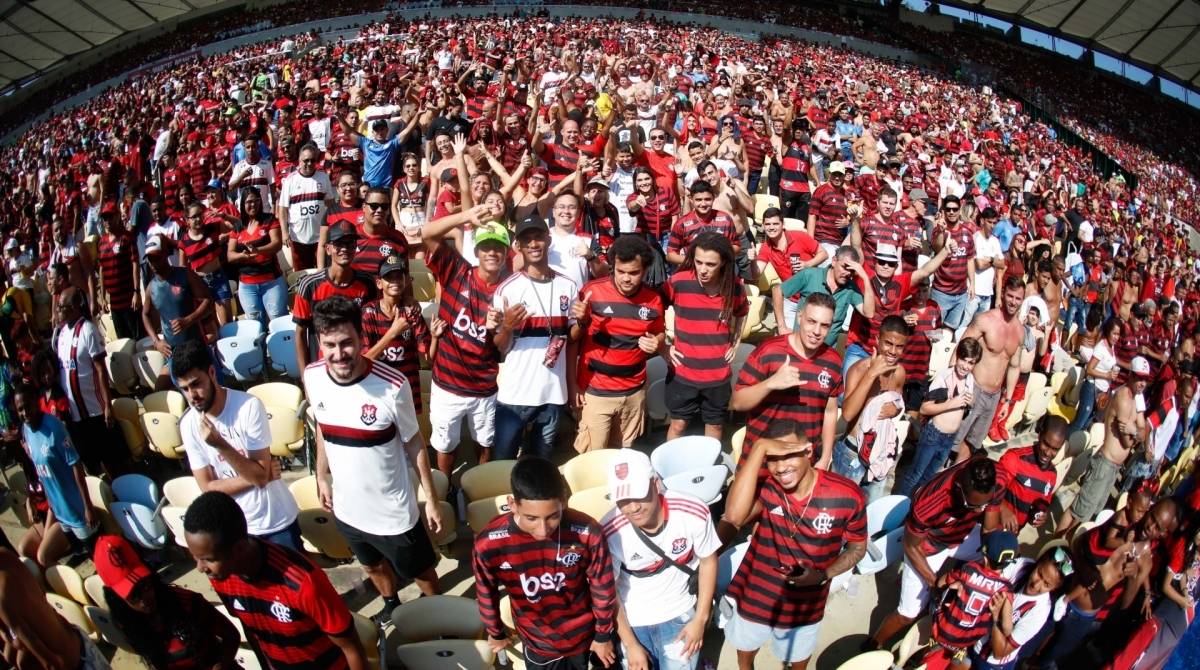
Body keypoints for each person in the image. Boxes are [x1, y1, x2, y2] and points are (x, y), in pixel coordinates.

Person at [304, 296, 442, 613]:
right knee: (372, 567)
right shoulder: (313, 376)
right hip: (348, 509)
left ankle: (436, 615)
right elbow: (322, 427)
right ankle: (391, 605)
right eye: (329, 345)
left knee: (420, 572)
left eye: (346, 343)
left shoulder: (393, 386)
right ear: (320, 344)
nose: (339, 355)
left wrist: (431, 499)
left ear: (362, 339)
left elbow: (415, 443)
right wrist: (321, 475)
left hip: (394, 515)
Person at [720, 420, 867, 670]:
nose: (780, 468)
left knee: (798, 659)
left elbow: (857, 548)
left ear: (809, 452)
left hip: (807, 604)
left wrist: (824, 575)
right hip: (757, 595)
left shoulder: (846, 495)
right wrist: (758, 450)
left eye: (788, 455)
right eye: (772, 458)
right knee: (745, 649)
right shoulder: (767, 487)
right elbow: (734, 517)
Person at [182, 491, 368, 670]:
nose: (200, 568)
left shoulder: (303, 582)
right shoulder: (221, 577)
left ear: (238, 548)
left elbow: (352, 649)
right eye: (196, 557)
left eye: (208, 559)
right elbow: (253, 631)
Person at [472, 457, 617, 670]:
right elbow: (485, 591)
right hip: (539, 645)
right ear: (513, 504)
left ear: (564, 500)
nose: (543, 529)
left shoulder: (587, 532)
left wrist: (603, 635)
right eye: (531, 518)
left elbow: (602, 588)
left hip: (585, 639)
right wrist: (495, 632)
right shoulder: (489, 543)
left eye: (553, 516)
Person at [174, 340, 301, 551]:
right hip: (234, 528)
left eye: (196, 384)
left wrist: (221, 445)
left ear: (212, 372)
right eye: (185, 389)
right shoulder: (188, 424)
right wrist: (261, 474)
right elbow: (207, 487)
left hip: (275, 522)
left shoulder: (248, 406)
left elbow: (258, 477)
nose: (192, 395)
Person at [601, 449, 720, 670]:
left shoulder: (692, 512)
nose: (633, 507)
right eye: (623, 500)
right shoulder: (610, 532)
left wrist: (700, 620)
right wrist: (630, 644)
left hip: (680, 611)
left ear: (655, 484)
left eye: (639, 495)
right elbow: (610, 591)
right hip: (634, 621)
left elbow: (708, 561)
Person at [868, 457, 1000, 651]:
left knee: (993, 559)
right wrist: (936, 582)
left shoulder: (992, 475)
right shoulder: (930, 502)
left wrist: (995, 517)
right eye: (974, 506)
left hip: (960, 534)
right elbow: (911, 546)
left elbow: (989, 525)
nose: (980, 510)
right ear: (959, 487)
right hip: (927, 548)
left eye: (985, 504)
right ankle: (872, 645)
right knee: (908, 613)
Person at [419, 205, 509, 477]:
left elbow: (503, 349)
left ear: (506, 254)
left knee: (485, 442)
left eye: (498, 247)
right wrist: (463, 217)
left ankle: (480, 485)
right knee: (445, 445)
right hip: (448, 384)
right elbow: (426, 233)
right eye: (486, 247)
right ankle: (445, 488)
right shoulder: (457, 269)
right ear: (477, 251)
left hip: (484, 386)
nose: (492, 252)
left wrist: (500, 329)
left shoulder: (510, 290)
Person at [492, 213, 580, 460]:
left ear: (548, 240)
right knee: (504, 461)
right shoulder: (507, 289)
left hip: (552, 392)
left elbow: (572, 336)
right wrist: (507, 326)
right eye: (526, 240)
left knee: (541, 462)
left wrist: (583, 321)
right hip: (515, 393)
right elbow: (500, 348)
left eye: (538, 237)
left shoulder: (568, 285)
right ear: (517, 246)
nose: (533, 244)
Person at [572, 235, 665, 452]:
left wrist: (656, 341)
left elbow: (659, 333)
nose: (626, 278)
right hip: (596, 392)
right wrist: (582, 321)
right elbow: (573, 341)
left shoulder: (654, 299)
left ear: (646, 270)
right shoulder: (591, 292)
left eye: (634, 273)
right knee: (593, 457)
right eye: (620, 271)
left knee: (623, 457)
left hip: (634, 392)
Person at [94, 534, 240, 670]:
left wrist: (220, 666)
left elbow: (231, 635)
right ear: (117, 598)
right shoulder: (126, 623)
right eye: (133, 596)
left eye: (145, 586)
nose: (144, 599)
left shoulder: (188, 603)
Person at [732, 293, 843, 470]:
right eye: (811, 321)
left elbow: (830, 412)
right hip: (761, 463)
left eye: (824, 326)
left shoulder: (833, 361)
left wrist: (825, 457)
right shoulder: (769, 351)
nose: (816, 331)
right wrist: (770, 383)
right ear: (799, 317)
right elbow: (738, 402)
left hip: (803, 464)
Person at [664, 232, 748, 441]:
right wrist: (662, 347)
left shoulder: (734, 286)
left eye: (710, 264)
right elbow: (653, 309)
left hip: (717, 376)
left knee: (716, 426)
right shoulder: (678, 282)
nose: (702, 269)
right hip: (683, 373)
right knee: (678, 425)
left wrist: (736, 343)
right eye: (698, 262)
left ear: (723, 263)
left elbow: (742, 312)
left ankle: (710, 472)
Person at [1056, 356, 1153, 538]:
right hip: (1104, 464)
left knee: (1089, 513)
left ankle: (1064, 544)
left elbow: (1144, 430)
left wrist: (1136, 431)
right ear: (1130, 375)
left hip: (1112, 467)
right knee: (1078, 510)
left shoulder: (1137, 398)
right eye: (1139, 378)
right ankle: (1053, 545)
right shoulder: (1124, 399)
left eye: (1145, 379)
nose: (1142, 383)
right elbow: (1127, 442)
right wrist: (1137, 433)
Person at [13, 382, 96, 568]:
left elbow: (75, 465)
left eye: (27, 406)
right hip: (61, 514)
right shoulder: (26, 430)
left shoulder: (54, 427)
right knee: (80, 554)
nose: (24, 413)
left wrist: (87, 506)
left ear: (36, 402)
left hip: (77, 510)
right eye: (20, 409)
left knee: (96, 556)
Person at [916, 531, 1019, 670]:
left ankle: (934, 642)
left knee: (941, 597)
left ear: (985, 557)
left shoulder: (969, 569)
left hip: (943, 632)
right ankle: (959, 652)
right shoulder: (1006, 589)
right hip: (967, 640)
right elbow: (1007, 628)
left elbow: (940, 583)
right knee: (978, 624)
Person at [54, 285, 128, 477]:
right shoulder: (62, 334)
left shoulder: (88, 329)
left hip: (95, 410)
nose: (58, 310)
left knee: (112, 460)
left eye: (62, 306)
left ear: (75, 306)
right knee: (90, 462)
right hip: (75, 415)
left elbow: (100, 370)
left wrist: (107, 406)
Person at [834, 315, 910, 502]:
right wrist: (871, 374)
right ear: (877, 340)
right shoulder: (859, 370)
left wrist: (895, 410)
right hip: (851, 454)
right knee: (840, 510)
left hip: (880, 455)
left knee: (868, 516)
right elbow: (848, 413)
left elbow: (898, 403)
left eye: (899, 346)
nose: (893, 351)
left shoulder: (899, 372)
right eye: (888, 343)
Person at [952, 275, 1026, 462]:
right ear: (1003, 294)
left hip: (993, 397)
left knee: (972, 443)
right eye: (1010, 296)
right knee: (953, 439)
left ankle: (953, 478)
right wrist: (952, 385)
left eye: (1018, 298)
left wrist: (1007, 400)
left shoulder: (1020, 331)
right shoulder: (985, 319)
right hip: (973, 388)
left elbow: (1014, 366)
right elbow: (960, 348)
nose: (1013, 302)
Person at [896, 337, 980, 497]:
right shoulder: (944, 377)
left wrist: (971, 402)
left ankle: (914, 506)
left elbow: (966, 406)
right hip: (933, 435)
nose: (965, 366)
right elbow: (924, 408)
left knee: (928, 478)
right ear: (958, 357)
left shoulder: (970, 379)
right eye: (964, 359)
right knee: (914, 475)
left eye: (971, 363)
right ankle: (899, 505)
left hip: (949, 438)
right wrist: (952, 403)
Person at [0, 547, 111, 669]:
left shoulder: (2, 596)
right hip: (79, 642)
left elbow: (50, 662)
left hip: (73, 663)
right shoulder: (6, 556)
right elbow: (42, 594)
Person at [292, 220, 376, 369]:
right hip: (321, 366)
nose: (345, 249)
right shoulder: (310, 285)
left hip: (358, 363)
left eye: (350, 244)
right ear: (328, 249)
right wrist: (305, 374)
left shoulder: (368, 282)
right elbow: (299, 333)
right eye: (339, 244)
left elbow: (375, 323)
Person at [971, 550, 1067, 670]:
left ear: (1054, 588)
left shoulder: (1040, 612)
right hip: (972, 637)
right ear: (1038, 563)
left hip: (990, 663)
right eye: (1039, 573)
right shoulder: (1023, 565)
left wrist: (996, 617)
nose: (1036, 585)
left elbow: (1000, 652)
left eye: (1046, 585)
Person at [361, 256, 432, 415]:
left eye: (398, 276)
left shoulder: (411, 311)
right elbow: (364, 361)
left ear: (405, 281)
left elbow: (427, 355)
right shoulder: (368, 314)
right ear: (379, 283)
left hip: (407, 388)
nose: (395, 281)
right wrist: (392, 332)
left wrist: (436, 337)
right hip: (379, 390)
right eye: (389, 277)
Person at [141, 234, 212, 388]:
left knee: (209, 390)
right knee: (160, 388)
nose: (153, 263)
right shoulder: (151, 288)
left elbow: (209, 301)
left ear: (166, 254)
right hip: (174, 353)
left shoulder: (185, 274)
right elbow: (145, 314)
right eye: (150, 259)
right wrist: (156, 341)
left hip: (195, 347)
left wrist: (189, 320)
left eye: (156, 257)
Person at [779, 246, 874, 347]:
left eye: (851, 271)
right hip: (800, 347)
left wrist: (865, 278)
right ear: (834, 261)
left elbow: (869, 313)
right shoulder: (810, 275)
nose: (847, 273)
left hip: (826, 352)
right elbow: (778, 290)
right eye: (844, 267)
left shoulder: (850, 288)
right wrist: (782, 326)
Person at [987, 415, 1066, 534]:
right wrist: (1003, 509)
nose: (1048, 453)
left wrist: (1042, 515)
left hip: (1013, 535)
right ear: (1039, 435)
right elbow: (989, 490)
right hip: (991, 529)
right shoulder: (1014, 459)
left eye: (1055, 449)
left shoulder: (1052, 475)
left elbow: (1043, 503)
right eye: (1046, 444)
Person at [755, 207, 826, 333]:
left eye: (775, 223)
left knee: (809, 336)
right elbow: (756, 273)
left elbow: (823, 254)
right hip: (790, 299)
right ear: (763, 226)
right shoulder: (766, 248)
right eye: (768, 224)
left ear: (783, 224)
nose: (771, 227)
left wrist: (807, 264)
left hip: (812, 297)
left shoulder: (799, 236)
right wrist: (750, 260)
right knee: (784, 337)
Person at [226, 187, 287, 328]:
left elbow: (277, 244)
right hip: (247, 286)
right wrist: (241, 255)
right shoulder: (238, 226)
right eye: (249, 202)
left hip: (272, 282)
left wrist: (257, 250)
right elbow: (230, 255)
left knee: (278, 323)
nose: (253, 205)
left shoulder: (269, 219)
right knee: (256, 326)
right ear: (243, 204)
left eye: (256, 201)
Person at [277, 143, 334, 271]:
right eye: (305, 160)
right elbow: (283, 209)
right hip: (298, 238)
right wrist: (285, 232)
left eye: (312, 160)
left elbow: (331, 206)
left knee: (321, 273)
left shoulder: (323, 178)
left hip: (320, 238)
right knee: (301, 275)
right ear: (299, 161)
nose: (308, 163)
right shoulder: (290, 180)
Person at [929, 195, 977, 333]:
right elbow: (937, 248)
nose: (951, 212)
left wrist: (972, 283)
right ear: (944, 210)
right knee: (935, 332)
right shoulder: (939, 231)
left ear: (959, 209)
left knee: (950, 330)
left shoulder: (967, 233)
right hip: (941, 292)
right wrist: (940, 231)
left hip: (960, 294)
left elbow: (970, 259)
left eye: (954, 209)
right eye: (948, 209)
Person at [96, 203, 142, 339]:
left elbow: (135, 264)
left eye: (110, 217)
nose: (107, 221)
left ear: (117, 216)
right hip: (114, 303)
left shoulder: (126, 238)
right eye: (104, 218)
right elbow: (102, 269)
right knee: (123, 340)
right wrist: (103, 297)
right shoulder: (102, 242)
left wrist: (137, 292)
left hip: (129, 299)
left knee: (137, 339)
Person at [806, 160, 849, 260]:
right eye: (834, 174)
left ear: (844, 176)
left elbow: (850, 215)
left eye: (840, 175)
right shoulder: (821, 191)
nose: (837, 178)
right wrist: (811, 243)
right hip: (823, 240)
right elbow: (812, 216)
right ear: (829, 174)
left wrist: (848, 221)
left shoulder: (845, 193)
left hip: (839, 241)